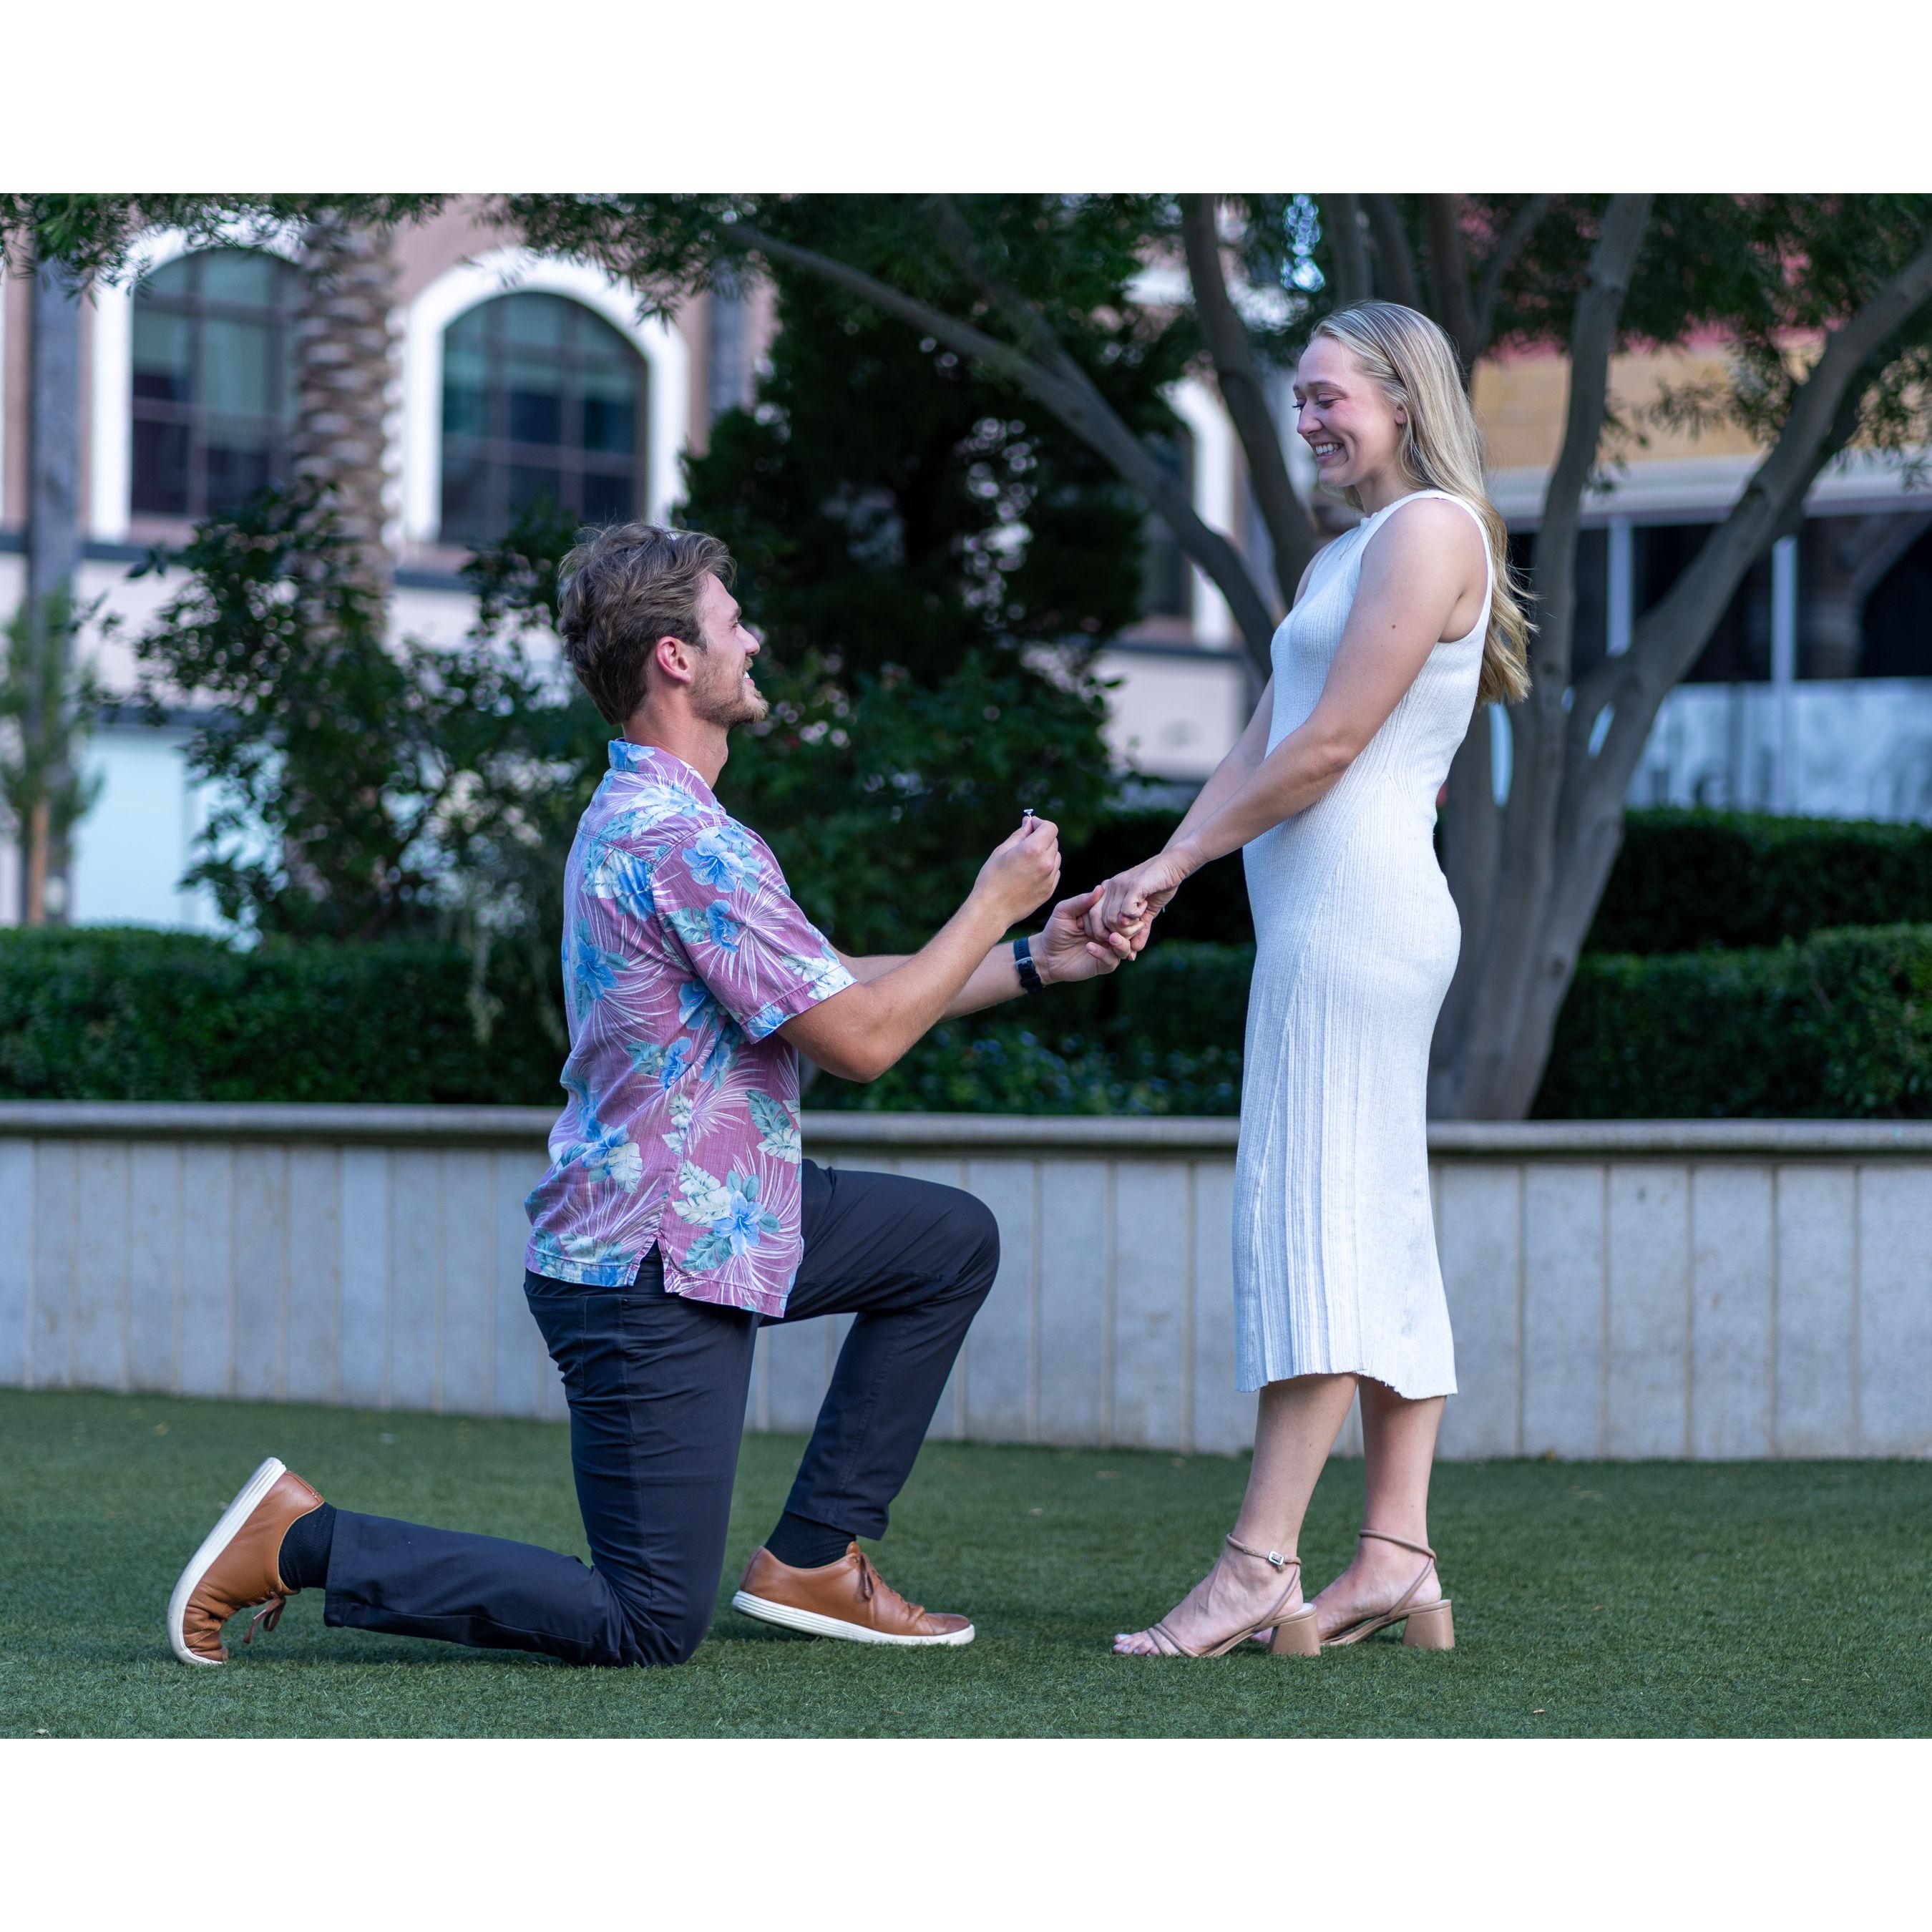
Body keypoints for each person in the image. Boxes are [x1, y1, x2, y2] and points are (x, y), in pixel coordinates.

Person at [167, 522, 1142, 1669]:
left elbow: (831, 987)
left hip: (725, 1215)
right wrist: (993, 902)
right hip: (645, 1269)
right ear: (676, 657)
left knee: (944, 1243)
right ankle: (303, 1540)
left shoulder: (667, 822)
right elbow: (863, 1042)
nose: (754, 641)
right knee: (645, 1621)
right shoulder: (680, 841)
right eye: (734, 623)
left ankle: (814, 1558)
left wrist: (1036, 961)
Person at [1095, 302, 1532, 1659]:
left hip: (1358, 922)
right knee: (1374, 1224)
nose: (1307, 419)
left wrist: (1177, 865)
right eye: (1299, 398)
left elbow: (1335, 743)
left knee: (1316, 1223)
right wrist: (1163, 867)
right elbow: (1262, 744)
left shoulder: (1431, 531)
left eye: (1328, 394)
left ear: (1403, 396)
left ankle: (1256, 1566)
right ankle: (1396, 1555)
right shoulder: (1349, 549)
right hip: (1324, 920)